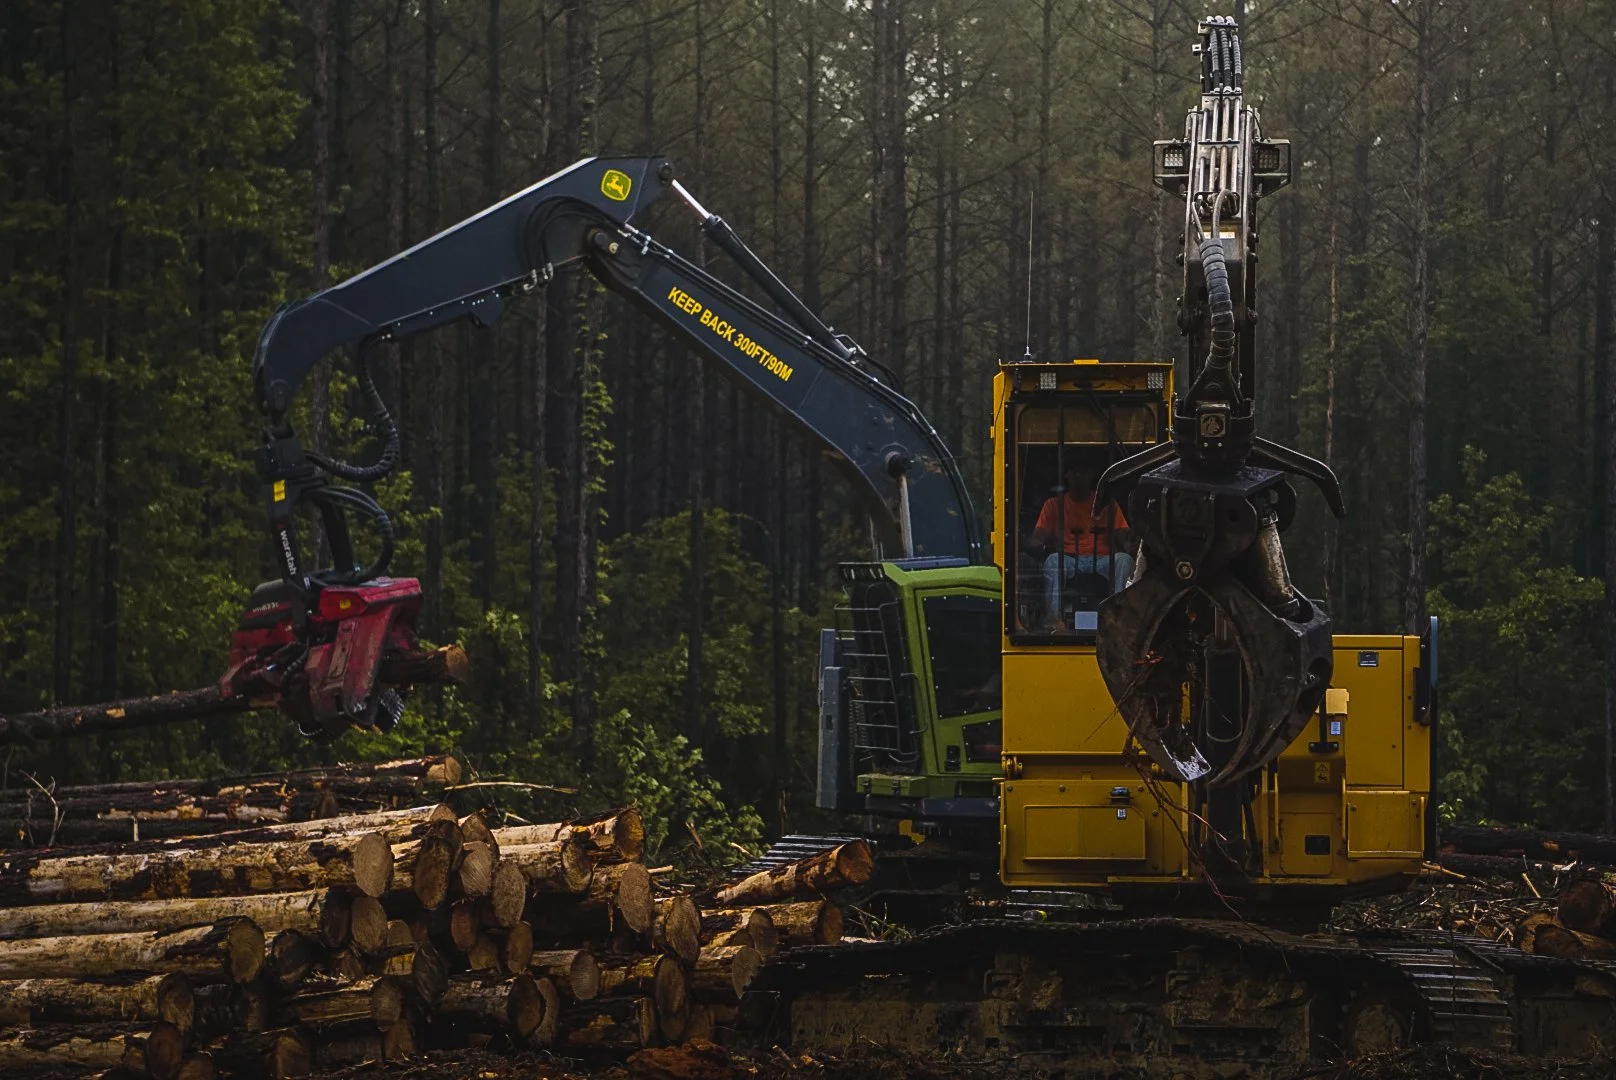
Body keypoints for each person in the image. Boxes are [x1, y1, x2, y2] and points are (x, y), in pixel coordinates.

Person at [1024, 461, 1133, 628]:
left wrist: (1131, 542)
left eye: (1084, 472)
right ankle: (1054, 619)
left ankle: (1119, 620)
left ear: (1092, 476)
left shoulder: (1107, 505)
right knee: (1053, 561)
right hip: (1068, 560)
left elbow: (1124, 536)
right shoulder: (1053, 505)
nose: (1079, 476)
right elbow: (1038, 538)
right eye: (1074, 472)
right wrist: (1020, 541)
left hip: (1103, 560)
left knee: (1124, 560)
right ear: (1066, 475)